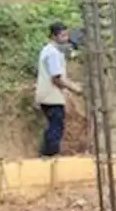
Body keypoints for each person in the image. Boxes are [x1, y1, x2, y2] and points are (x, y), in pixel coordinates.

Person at [35, 22, 82, 157]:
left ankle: (45, 154)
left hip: (47, 95)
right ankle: (50, 155)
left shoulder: (48, 50)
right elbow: (57, 78)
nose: (66, 38)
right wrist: (75, 88)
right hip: (51, 96)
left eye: (66, 35)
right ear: (53, 36)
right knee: (56, 127)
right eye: (63, 35)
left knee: (53, 125)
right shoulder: (53, 53)